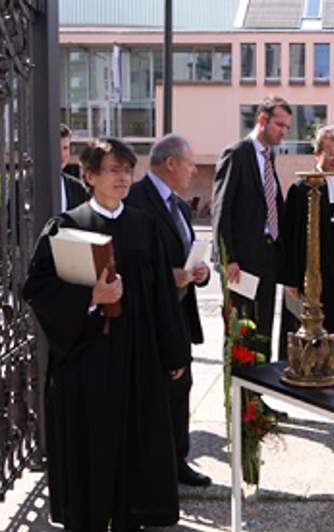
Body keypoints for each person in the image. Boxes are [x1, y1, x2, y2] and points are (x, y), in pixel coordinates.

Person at [22, 138, 188, 531]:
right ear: (90, 175)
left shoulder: (144, 226)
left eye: (128, 170)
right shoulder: (67, 226)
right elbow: (36, 289)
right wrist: (90, 298)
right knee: (91, 444)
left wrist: (174, 352)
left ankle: (130, 519)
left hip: (137, 358)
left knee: (135, 444)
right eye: (113, 170)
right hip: (87, 361)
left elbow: (163, 297)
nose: (123, 178)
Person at [125, 134, 212, 487]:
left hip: (178, 313)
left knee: (180, 389)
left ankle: (177, 461)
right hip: (148, 316)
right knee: (153, 393)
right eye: (190, 164)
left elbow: (183, 251)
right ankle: (150, 468)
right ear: (171, 162)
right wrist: (168, 276)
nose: (194, 171)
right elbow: (130, 263)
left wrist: (200, 273)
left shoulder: (180, 206)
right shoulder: (135, 200)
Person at [278, 125, 334, 358]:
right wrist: (291, 280)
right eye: (330, 153)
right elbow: (289, 236)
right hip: (311, 273)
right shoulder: (301, 188)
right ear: (317, 153)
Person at [211, 96, 290, 355]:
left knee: (263, 327)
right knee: (241, 330)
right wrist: (228, 258)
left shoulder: (269, 157)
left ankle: (259, 380)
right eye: (280, 125)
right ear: (262, 120)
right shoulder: (236, 154)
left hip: (267, 257)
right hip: (241, 263)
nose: (284, 132)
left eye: (287, 127)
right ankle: (238, 382)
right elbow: (221, 209)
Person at [59, 123, 90, 211]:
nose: (62, 154)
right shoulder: (27, 185)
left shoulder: (78, 188)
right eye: (57, 148)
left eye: (65, 148)